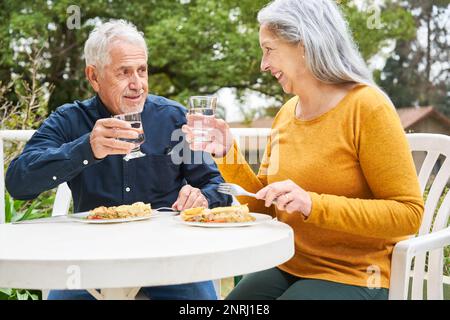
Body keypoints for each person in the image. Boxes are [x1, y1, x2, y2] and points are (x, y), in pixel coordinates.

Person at [183, 0, 424, 300]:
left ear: (305, 44)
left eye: (269, 49)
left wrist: (312, 204)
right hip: (287, 262)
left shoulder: (367, 108)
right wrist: (227, 153)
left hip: (354, 273)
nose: (263, 64)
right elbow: (264, 207)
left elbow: (408, 214)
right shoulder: (286, 113)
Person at [5, 19, 231, 300]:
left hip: (170, 260)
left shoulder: (173, 118)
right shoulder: (70, 120)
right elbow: (18, 182)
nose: (137, 84)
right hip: (92, 263)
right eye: (123, 72)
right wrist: (86, 149)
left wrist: (203, 198)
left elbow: (218, 187)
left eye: (142, 70)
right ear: (94, 76)